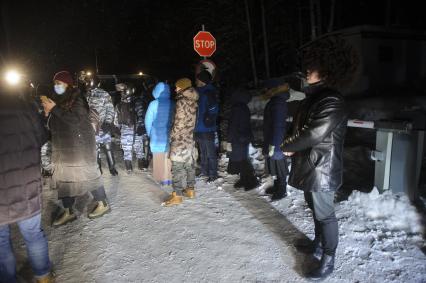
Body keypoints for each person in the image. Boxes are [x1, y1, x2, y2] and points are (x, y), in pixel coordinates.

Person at [281, 36, 359, 280]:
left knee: (325, 214)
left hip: (321, 169)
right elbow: (299, 127)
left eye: (312, 66)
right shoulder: (315, 97)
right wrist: (291, 142)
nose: (307, 70)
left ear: (325, 68)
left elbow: (314, 133)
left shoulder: (331, 100)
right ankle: (317, 243)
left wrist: (289, 147)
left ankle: (328, 259)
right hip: (310, 166)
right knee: (315, 209)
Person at [42, 71, 110, 227]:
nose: (57, 86)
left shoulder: (77, 99)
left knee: (88, 175)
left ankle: (103, 203)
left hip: (79, 147)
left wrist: (53, 110)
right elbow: (55, 123)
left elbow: (75, 120)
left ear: (69, 84)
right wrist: (47, 114)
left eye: (60, 83)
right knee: (64, 180)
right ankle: (68, 211)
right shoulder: (57, 100)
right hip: (62, 147)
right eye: (55, 83)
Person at [0, 87, 53, 282]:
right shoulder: (26, 110)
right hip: (26, 184)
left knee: (1, 242)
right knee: (33, 233)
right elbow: (42, 138)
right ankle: (44, 277)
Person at [164, 78, 199, 206]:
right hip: (189, 138)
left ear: (183, 87)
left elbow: (179, 122)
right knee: (189, 165)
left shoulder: (181, 102)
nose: (175, 89)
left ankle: (177, 195)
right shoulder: (194, 102)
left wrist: (172, 134)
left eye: (177, 87)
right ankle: (190, 190)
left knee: (177, 168)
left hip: (180, 140)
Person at [262, 79, 290, 201]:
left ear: (273, 89)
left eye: (267, 89)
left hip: (277, 141)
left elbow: (279, 125)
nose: (266, 91)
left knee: (279, 165)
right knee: (275, 164)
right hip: (273, 138)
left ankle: (282, 190)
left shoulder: (278, 102)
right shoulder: (275, 101)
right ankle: (278, 186)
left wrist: (275, 144)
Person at [226, 88, 258, 191]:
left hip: (237, 139)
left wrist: (229, 140)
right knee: (242, 159)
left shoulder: (237, 107)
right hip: (242, 138)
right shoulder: (243, 107)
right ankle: (244, 179)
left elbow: (233, 126)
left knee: (242, 160)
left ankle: (252, 181)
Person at [85, 76, 118, 176]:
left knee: (107, 146)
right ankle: (98, 168)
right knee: (95, 149)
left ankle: (112, 167)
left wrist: (107, 122)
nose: (87, 84)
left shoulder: (104, 94)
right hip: (92, 126)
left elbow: (110, 109)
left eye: (89, 82)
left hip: (103, 125)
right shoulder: (86, 95)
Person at [145, 82, 174, 186]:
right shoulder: (172, 103)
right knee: (168, 158)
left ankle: (161, 179)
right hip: (169, 135)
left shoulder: (153, 104)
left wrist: (149, 133)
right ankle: (168, 178)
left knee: (158, 158)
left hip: (156, 136)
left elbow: (148, 120)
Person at [114, 83, 147, 172]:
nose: (121, 94)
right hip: (125, 128)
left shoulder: (137, 102)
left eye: (123, 92)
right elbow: (116, 117)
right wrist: (116, 127)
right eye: (121, 92)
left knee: (139, 146)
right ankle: (128, 164)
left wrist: (141, 126)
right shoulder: (119, 104)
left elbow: (141, 115)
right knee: (126, 148)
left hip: (136, 128)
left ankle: (141, 162)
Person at [194, 70, 219, 183]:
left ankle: (213, 174)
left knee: (210, 152)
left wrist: (209, 118)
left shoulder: (209, 92)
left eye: (198, 79)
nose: (196, 81)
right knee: (203, 152)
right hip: (199, 127)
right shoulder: (198, 91)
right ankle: (204, 171)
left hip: (207, 128)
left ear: (202, 80)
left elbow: (214, 108)